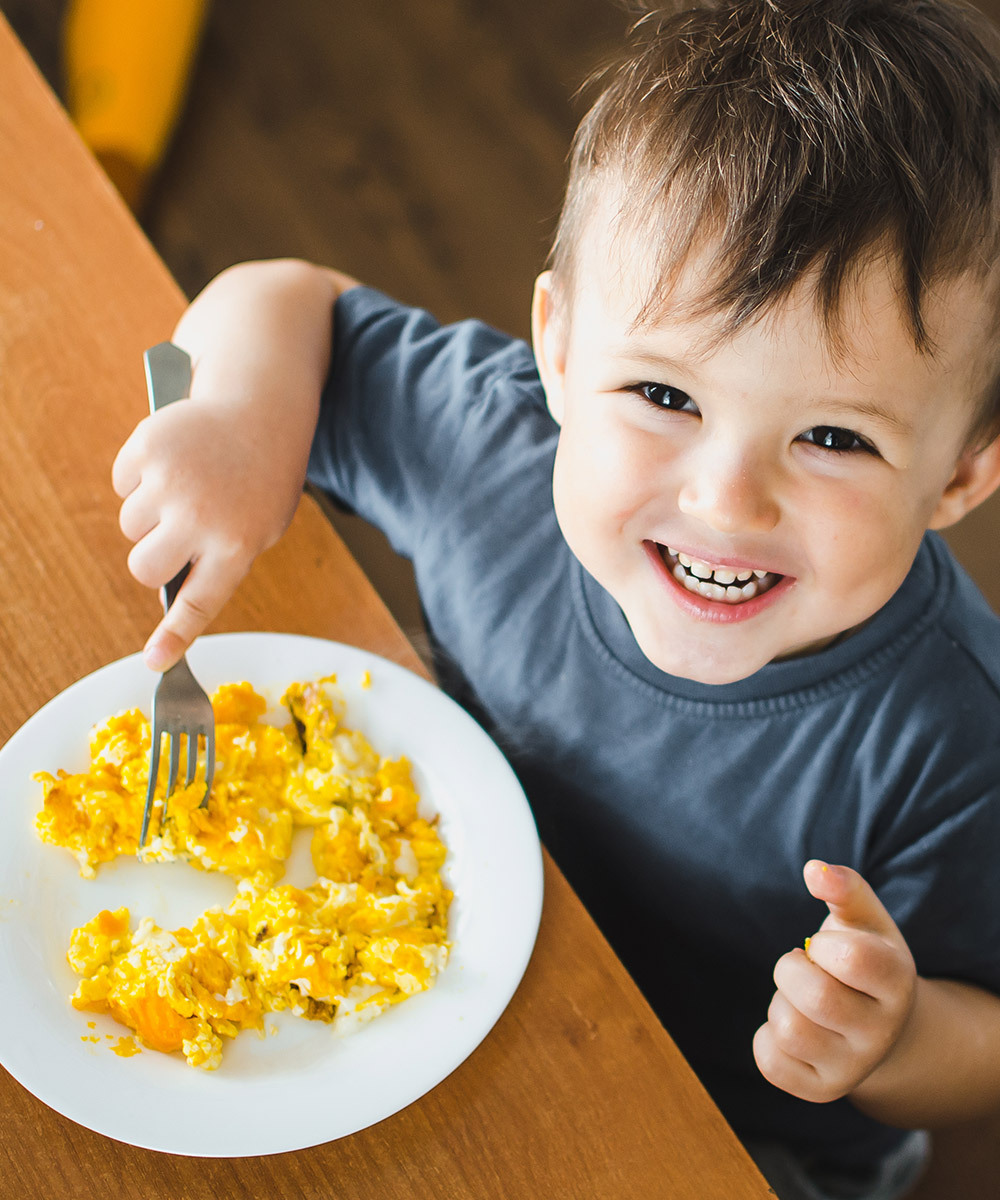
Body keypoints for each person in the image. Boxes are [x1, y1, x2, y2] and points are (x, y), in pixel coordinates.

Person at [111, 2, 1000, 1196]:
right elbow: (288, 296)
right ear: (559, 351)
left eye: (833, 437)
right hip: (418, 977)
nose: (726, 502)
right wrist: (232, 418)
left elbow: (984, 1047)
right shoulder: (493, 447)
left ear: (958, 476)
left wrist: (890, 1042)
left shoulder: (954, 742)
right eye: (666, 398)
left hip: (728, 1131)